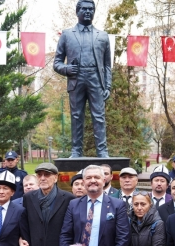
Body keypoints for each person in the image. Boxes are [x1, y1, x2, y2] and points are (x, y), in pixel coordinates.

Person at [53, 0, 112, 158]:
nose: (88, 12)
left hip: (96, 79)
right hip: (76, 78)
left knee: (99, 116)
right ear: (77, 12)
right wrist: (67, 69)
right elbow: (57, 63)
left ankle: (102, 151)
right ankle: (76, 151)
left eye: (91, 9)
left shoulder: (103, 36)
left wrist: (108, 86)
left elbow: (107, 65)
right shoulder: (66, 35)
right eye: (84, 9)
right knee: (77, 116)